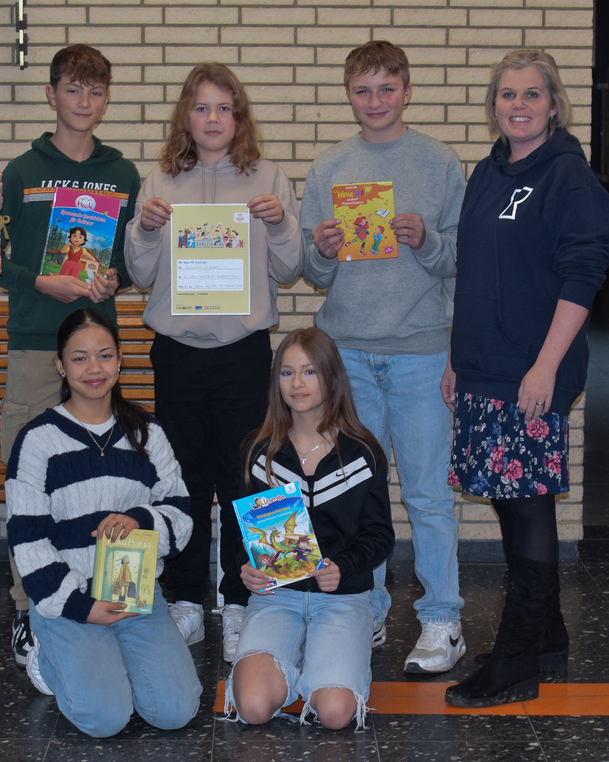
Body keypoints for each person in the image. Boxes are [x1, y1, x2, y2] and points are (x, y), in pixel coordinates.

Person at [442, 49, 609, 708]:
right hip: (485, 366)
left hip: (530, 371)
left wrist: (545, 365)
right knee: (509, 499)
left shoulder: (567, 175)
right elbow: (475, 271)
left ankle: (515, 661)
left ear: (552, 103)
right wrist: (459, 354)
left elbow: (584, 275)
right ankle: (547, 636)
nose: (518, 104)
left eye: (531, 94)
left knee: (528, 501)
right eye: (507, 94)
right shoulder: (488, 169)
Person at [125, 62, 305, 662]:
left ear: (238, 116)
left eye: (223, 108)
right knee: (184, 479)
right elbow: (140, 273)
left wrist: (279, 223)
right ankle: (184, 600)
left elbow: (288, 267)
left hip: (243, 354)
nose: (212, 119)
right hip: (177, 354)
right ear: (186, 116)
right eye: (201, 108)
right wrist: (146, 231)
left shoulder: (268, 176)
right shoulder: (160, 179)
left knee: (245, 482)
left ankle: (239, 602)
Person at [301, 40, 467, 674]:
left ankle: (442, 618)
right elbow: (316, 274)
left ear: (406, 89)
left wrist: (426, 241)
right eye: (363, 90)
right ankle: (361, 606)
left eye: (386, 88)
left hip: (422, 352)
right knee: (355, 493)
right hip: (347, 354)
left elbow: (460, 259)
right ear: (349, 94)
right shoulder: (329, 166)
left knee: (426, 493)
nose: (375, 101)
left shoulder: (439, 162)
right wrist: (320, 248)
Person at [0, 44, 140, 667]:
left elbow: (135, 260)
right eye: (74, 90)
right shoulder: (20, 171)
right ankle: (28, 612)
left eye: (97, 91)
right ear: (50, 94)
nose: (85, 102)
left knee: (99, 481)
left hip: (96, 351)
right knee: (28, 487)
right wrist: (38, 282)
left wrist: (116, 281)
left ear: (107, 98)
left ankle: (102, 597)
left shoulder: (123, 174)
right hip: (34, 345)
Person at [5, 308, 201, 737]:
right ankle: (49, 657)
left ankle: (110, 659)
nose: (94, 369)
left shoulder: (148, 433)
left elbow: (181, 515)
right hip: (69, 601)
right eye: (79, 358)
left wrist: (139, 519)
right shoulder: (37, 440)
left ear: (119, 360)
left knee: (175, 711)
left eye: (104, 356)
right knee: (105, 719)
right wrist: (81, 607)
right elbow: (27, 539)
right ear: (60, 365)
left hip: (134, 595)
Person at [224, 327, 394, 730]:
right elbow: (240, 535)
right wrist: (245, 566)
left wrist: (345, 566)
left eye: (309, 372)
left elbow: (380, 535)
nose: (297, 383)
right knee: (252, 707)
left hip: (343, 598)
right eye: (286, 373)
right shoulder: (258, 451)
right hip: (276, 598)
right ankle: (298, 660)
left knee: (335, 714)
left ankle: (326, 659)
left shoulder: (363, 452)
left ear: (331, 378)